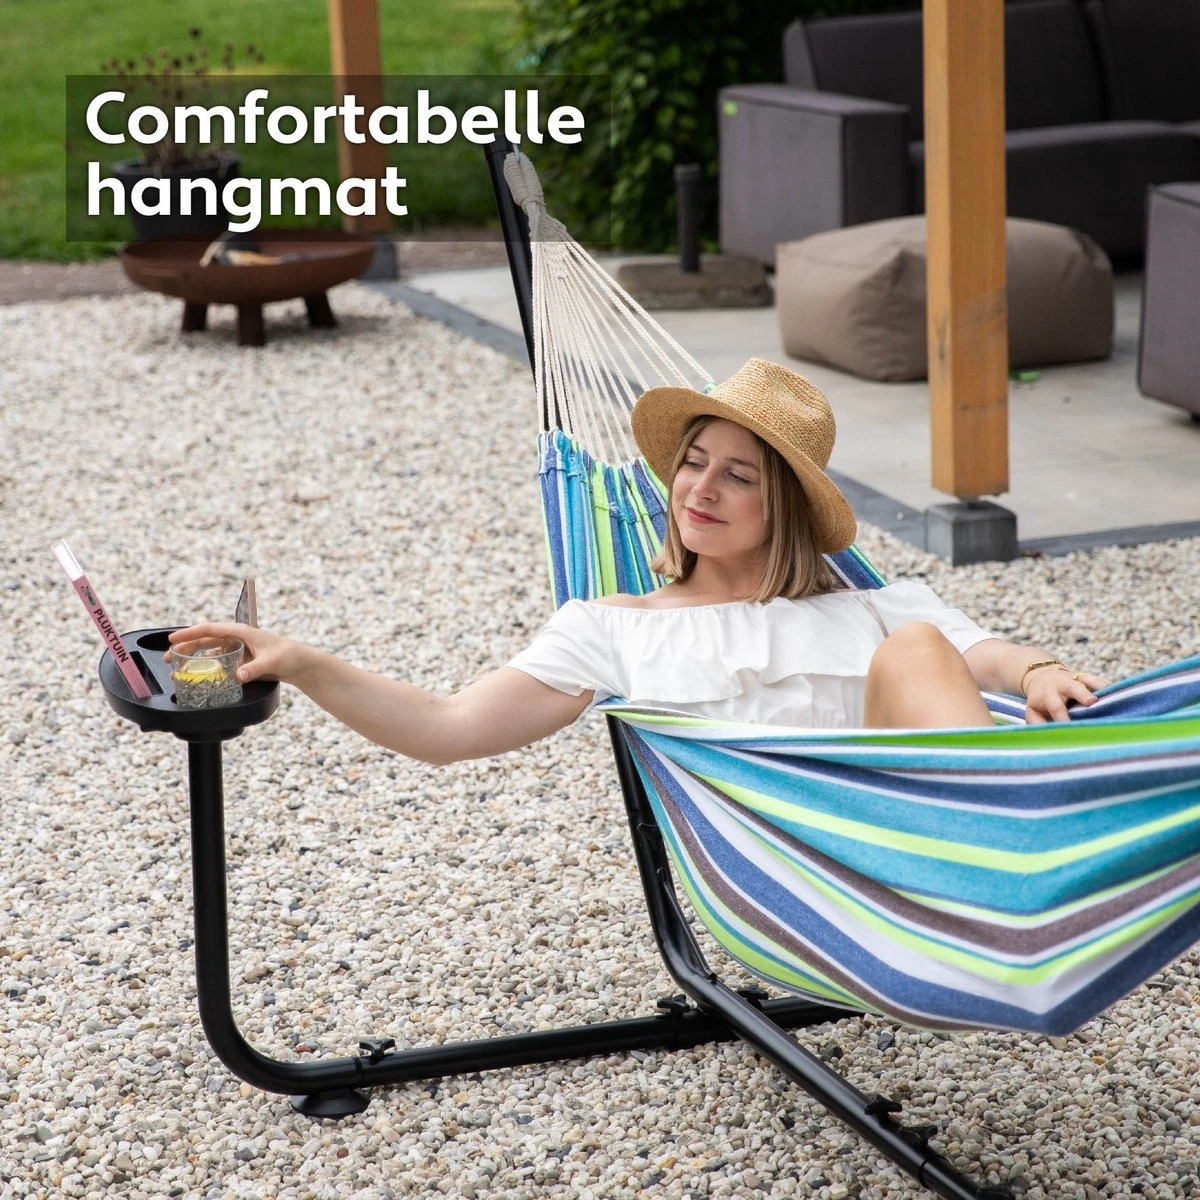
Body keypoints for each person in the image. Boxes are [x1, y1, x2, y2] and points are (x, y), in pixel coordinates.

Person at [169, 359, 1109, 764]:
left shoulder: (878, 608)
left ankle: (1012, 838)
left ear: (783, 506)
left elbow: (985, 657)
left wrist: (1036, 670)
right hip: (809, 866)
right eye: (692, 462)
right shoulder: (612, 628)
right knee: (916, 651)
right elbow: (447, 727)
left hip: (929, 825)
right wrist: (302, 660)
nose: (699, 488)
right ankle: (1015, 839)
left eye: (738, 475)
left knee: (917, 647)